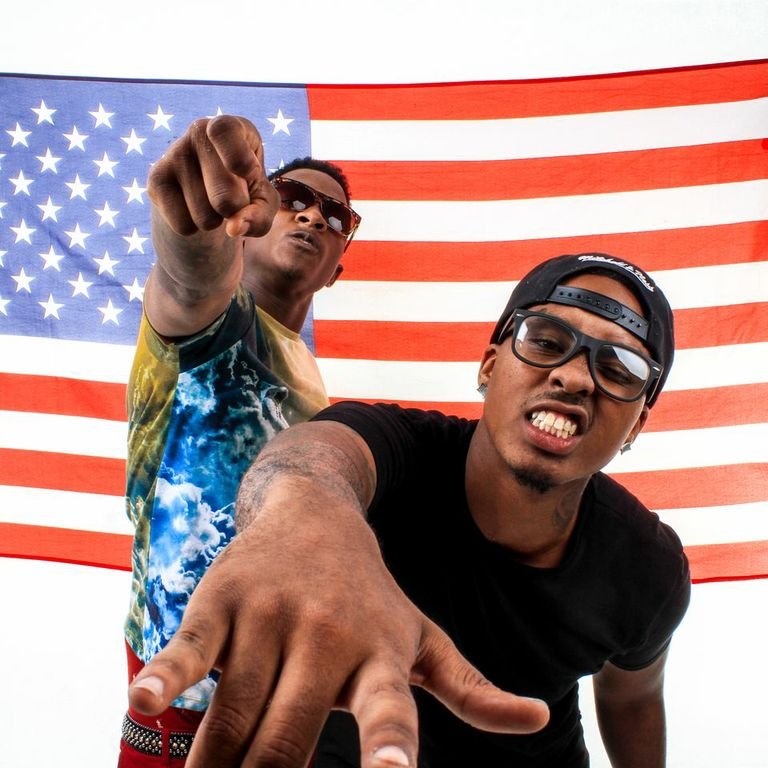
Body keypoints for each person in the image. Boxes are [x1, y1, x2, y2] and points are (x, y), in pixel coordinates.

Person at [128, 252, 691, 768]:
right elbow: (311, 461)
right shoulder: (398, 447)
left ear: (636, 425)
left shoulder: (648, 567)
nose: (574, 377)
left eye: (620, 371)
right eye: (545, 341)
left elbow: (633, 696)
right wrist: (306, 521)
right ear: (489, 366)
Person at [119, 114, 361, 766]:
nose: (312, 217)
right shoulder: (211, 322)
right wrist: (197, 225)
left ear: (336, 271)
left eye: (336, 217)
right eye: (293, 198)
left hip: (288, 715)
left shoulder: (315, 388)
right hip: (178, 713)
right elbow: (188, 278)